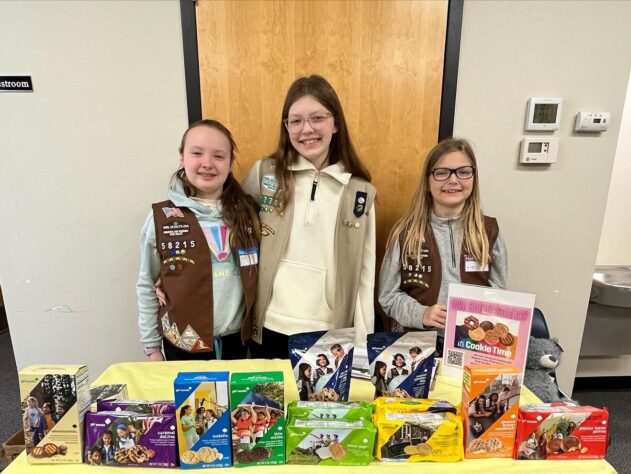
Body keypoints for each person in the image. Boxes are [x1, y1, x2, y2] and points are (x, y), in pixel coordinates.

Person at [242, 75, 376, 358]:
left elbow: (364, 276)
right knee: (265, 403)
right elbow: (228, 223)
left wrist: (362, 346)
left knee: (317, 403)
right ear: (286, 126)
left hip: (328, 332)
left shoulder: (358, 193)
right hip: (269, 325)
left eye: (317, 118)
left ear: (335, 123)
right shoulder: (264, 173)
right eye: (296, 120)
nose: (307, 129)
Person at [137, 119, 260, 361]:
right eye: (197, 153)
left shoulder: (250, 214)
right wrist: (152, 348)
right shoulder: (161, 219)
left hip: (239, 345)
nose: (207, 163)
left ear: (230, 163)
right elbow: (146, 285)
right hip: (182, 346)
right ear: (182, 157)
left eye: (218, 156)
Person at [378, 138, 508, 351]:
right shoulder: (405, 233)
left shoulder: (489, 231)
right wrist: (422, 314)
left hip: (473, 344)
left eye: (463, 171)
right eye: (442, 172)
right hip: (417, 344)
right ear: (428, 181)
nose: (453, 180)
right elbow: (388, 296)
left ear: (474, 178)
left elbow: (499, 292)